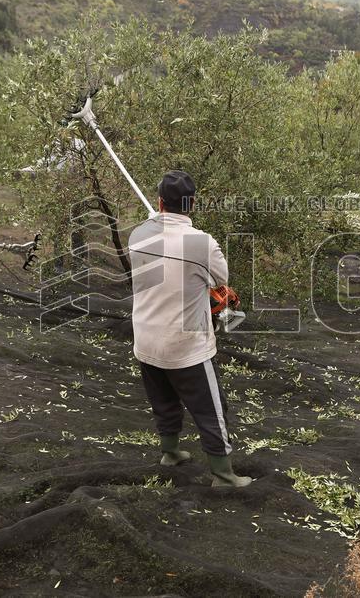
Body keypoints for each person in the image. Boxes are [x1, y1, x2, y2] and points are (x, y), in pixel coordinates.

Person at [127, 170, 252, 488]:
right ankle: (224, 475)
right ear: (192, 203)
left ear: (159, 201)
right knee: (212, 410)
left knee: (163, 400)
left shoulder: (137, 236)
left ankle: (170, 453)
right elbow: (220, 278)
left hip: (146, 339)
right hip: (186, 346)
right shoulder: (201, 244)